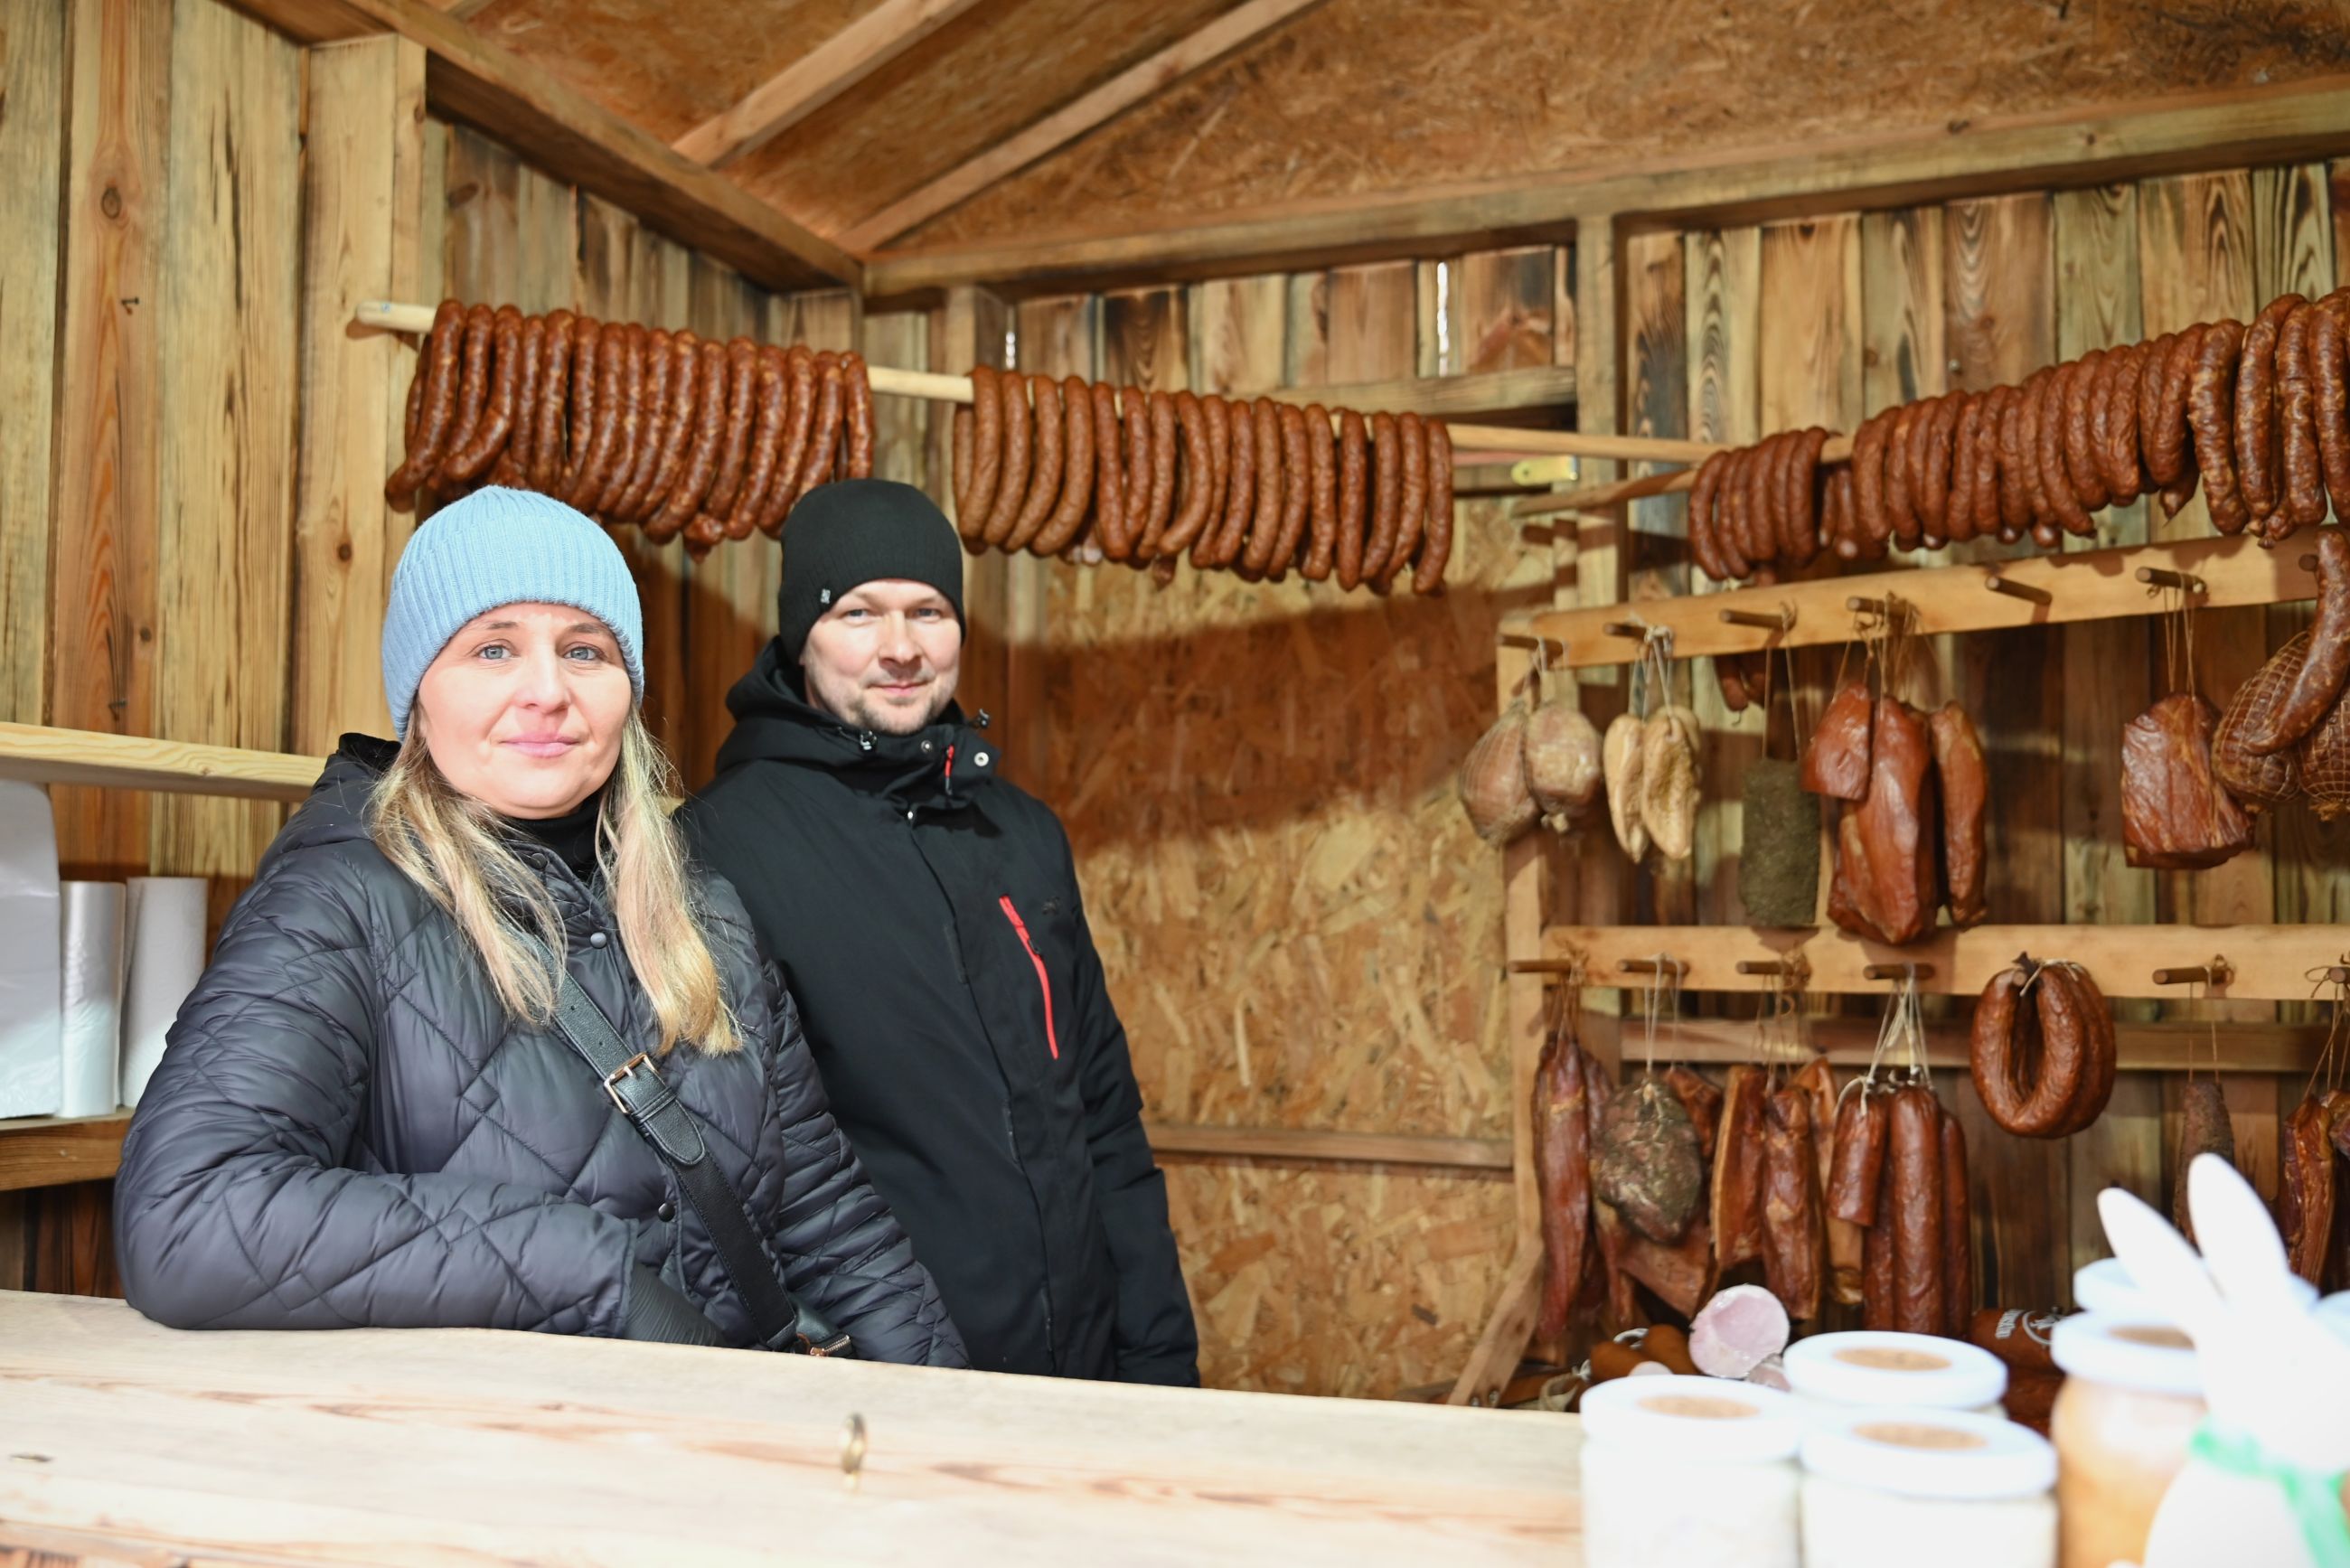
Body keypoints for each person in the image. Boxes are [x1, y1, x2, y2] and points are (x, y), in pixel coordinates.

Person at [114, 488, 964, 1365]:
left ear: (626, 691)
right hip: (487, 1444)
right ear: (419, 692)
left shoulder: (702, 909)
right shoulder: (339, 900)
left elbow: (831, 1221)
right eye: (494, 648)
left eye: (584, 650)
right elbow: (184, 1214)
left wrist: (949, 1417)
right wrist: (582, 1267)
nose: (548, 692)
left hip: (714, 1435)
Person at [683, 479, 1199, 1385]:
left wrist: (1159, 1359)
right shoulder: (722, 847)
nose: (901, 647)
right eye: (857, 612)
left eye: (928, 610)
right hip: (882, 1383)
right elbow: (728, 1179)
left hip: (1079, 1377)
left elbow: (1105, 1124)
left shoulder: (1020, 835)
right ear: (802, 635)